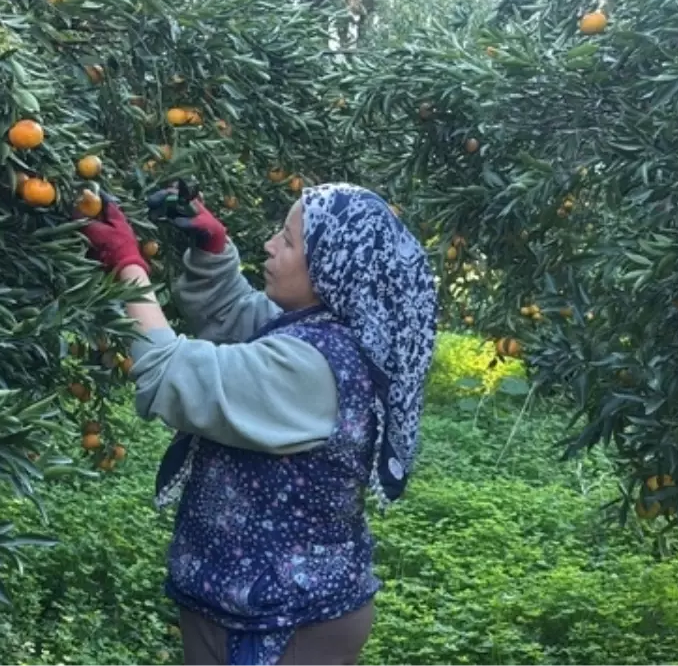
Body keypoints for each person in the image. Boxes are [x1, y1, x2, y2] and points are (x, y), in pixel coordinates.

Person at [76, 182, 438, 666]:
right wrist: (213, 249)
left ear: (331, 268)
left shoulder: (314, 369)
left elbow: (170, 374)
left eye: (287, 241)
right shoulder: (325, 327)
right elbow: (236, 316)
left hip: (279, 625)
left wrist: (128, 267)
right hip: (252, 608)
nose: (269, 245)